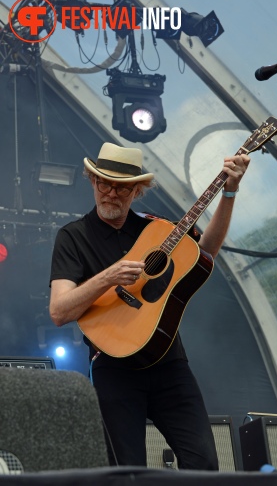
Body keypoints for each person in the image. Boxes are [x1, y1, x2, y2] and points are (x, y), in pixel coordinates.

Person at [49, 142, 250, 470]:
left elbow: (206, 252)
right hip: (113, 367)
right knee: (127, 471)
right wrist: (107, 278)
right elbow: (59, 311)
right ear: (91, 181)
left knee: (205, 464)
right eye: (104, 183)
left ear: (137, 191)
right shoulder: (73, 237)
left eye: (123, 188)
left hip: (168, 363)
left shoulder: (158, 228)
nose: (111, 193)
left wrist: (228, 193)